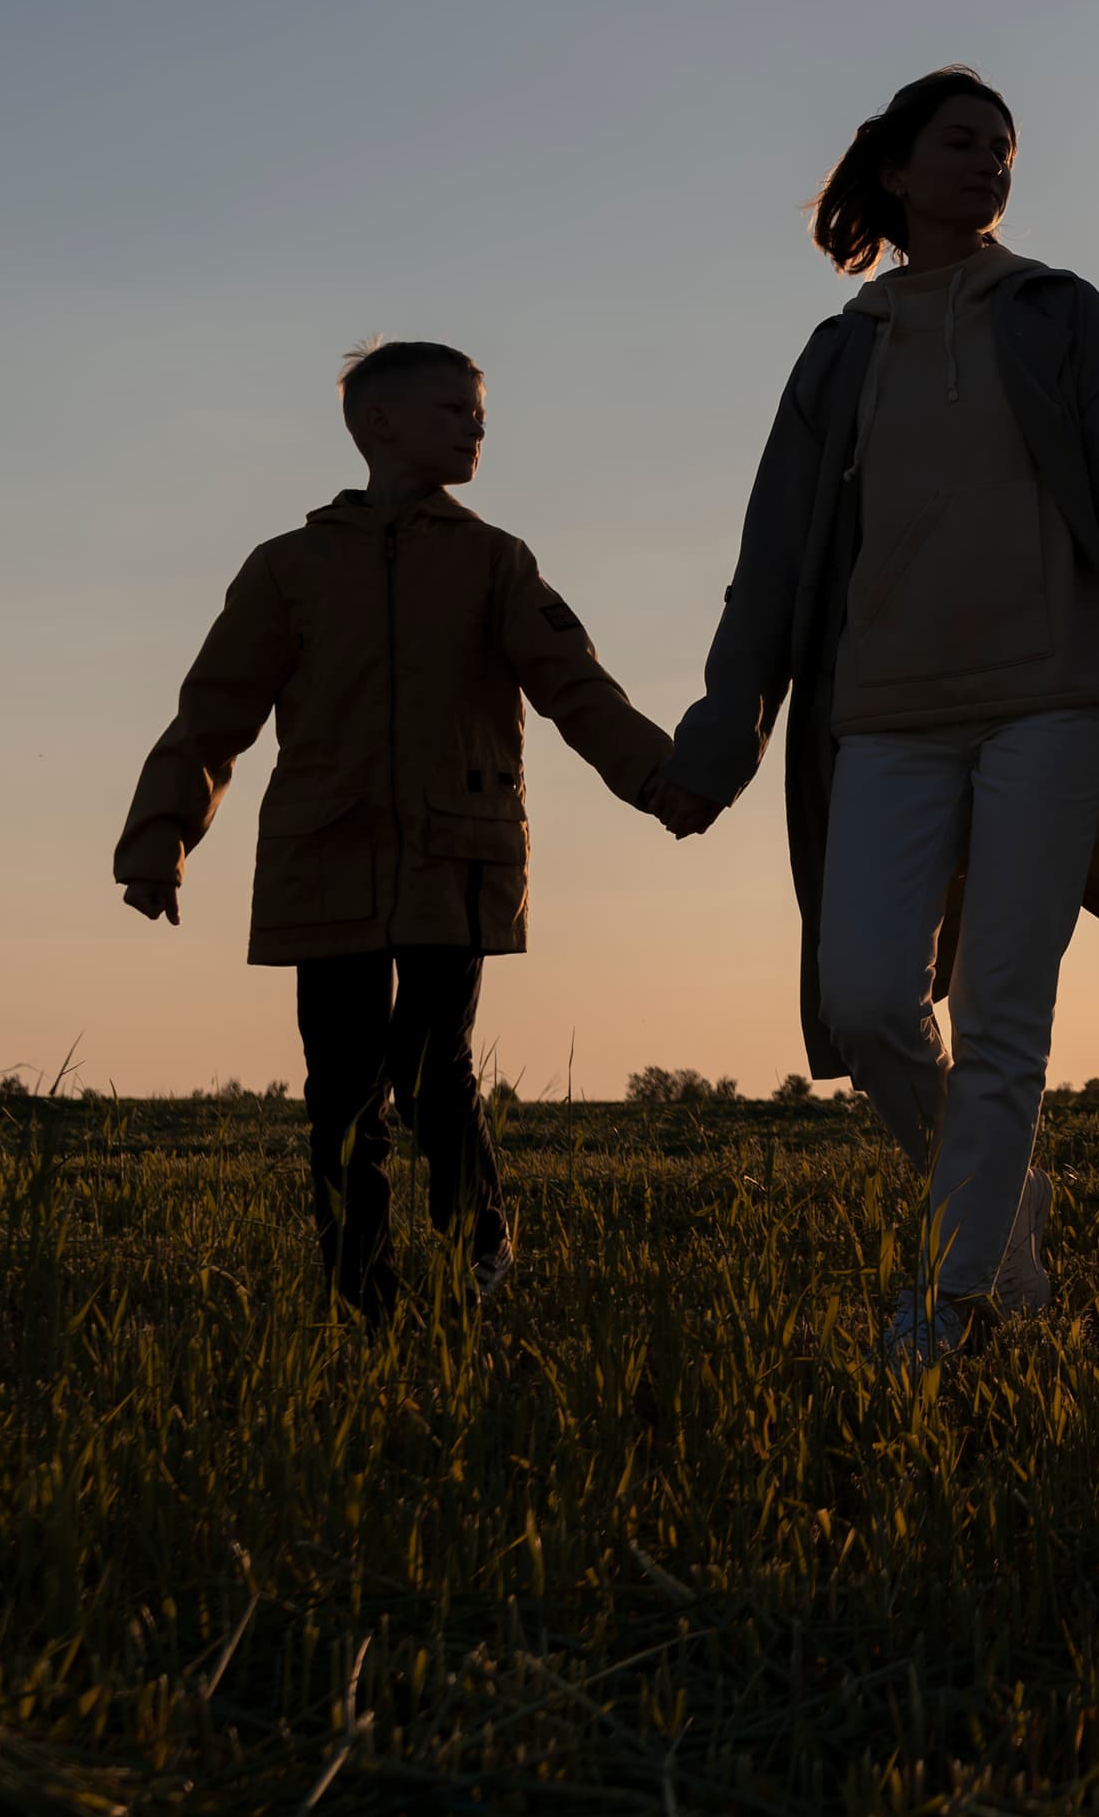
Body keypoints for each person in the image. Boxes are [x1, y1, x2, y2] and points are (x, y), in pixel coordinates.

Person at [653, 67, 1099, 1366]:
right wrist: (723, 732)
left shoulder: (1057, 316)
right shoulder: (842, 351)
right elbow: (773, 557)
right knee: (867, 994)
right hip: (883, 712)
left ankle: (950, 1304)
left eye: (1004, 147)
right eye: (961, 143)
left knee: (1002, 1006)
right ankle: (1004, 1197)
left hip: (1055, 703)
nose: (988, 163)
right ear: (895, 167)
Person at [115, 339, 677, 1320]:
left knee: (428, 1064)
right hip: (323, 852)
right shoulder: (288, 569)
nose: (477, 425)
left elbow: (573, 684)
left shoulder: (495, 561)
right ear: (378, 424)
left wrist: (663, 778)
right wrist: (161, 834)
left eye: (480, 413)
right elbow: (214, 711)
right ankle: (361, 1299)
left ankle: (479, 1256)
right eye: (454, 409)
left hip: (456, 850)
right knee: (341, 1085)